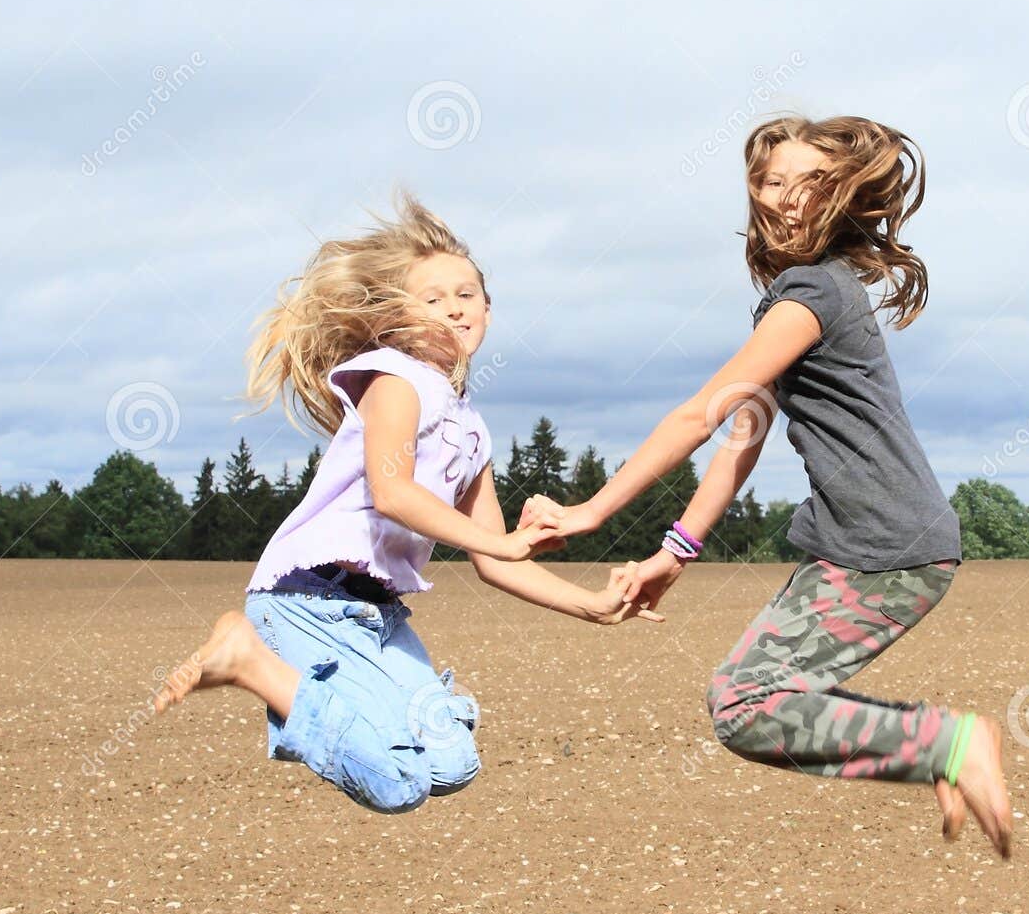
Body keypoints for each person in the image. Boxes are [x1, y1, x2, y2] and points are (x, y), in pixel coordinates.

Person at [525, 116, 1012, 855]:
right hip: (868, 544)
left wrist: (589, 510)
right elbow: (740, 439)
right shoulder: (803, 295)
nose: (787, 200)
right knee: (748, 699)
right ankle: (937, 745)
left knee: (744, 704)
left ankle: (945, 742)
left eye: (812, 183)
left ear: (844, 195)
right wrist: (673, 553)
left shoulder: (811, 294)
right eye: (771, 182)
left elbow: (701, 412)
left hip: (885, 547)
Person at [154, 194, 657, 813]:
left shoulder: (472, 428)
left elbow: (496, 560)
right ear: (397, 319)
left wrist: (596, 607)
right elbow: (393, 493)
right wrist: (503, 540)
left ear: (489, 311)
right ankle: (247, 662)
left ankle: (367, 705)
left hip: (376, 613)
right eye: (432, 297)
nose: (453, 307)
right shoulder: (395, 378)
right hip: (308, 596)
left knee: (450, 765)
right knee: (396, 784)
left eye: (467, 294)